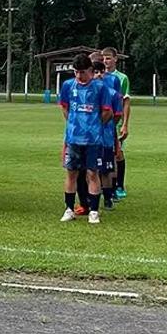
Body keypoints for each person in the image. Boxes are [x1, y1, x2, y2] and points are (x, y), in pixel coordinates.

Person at [59, 53, 113, 224]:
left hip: (93, 139)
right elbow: (65, 108)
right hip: (73, 138)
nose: (79, 76)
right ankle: (69, 209)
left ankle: (94, 211)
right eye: (76, 72)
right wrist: (74, 125)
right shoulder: (68, 86)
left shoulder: (100, 88)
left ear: (91, 70)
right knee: (71, 173)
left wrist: (93, 125)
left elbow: (107, 112)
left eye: (82, 72)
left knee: (92, 173)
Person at [101, 47, 131, 198]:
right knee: (105, 153)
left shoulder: (121, 78)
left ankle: (119, 185)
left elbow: (125, 102)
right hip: (102, 121)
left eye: (108, 58)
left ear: (115, 59)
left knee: (118, 153)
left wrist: (125, 124)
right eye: (103, 58)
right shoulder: (98, 76)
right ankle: (107, 187)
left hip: (116, 120)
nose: (106, 61)